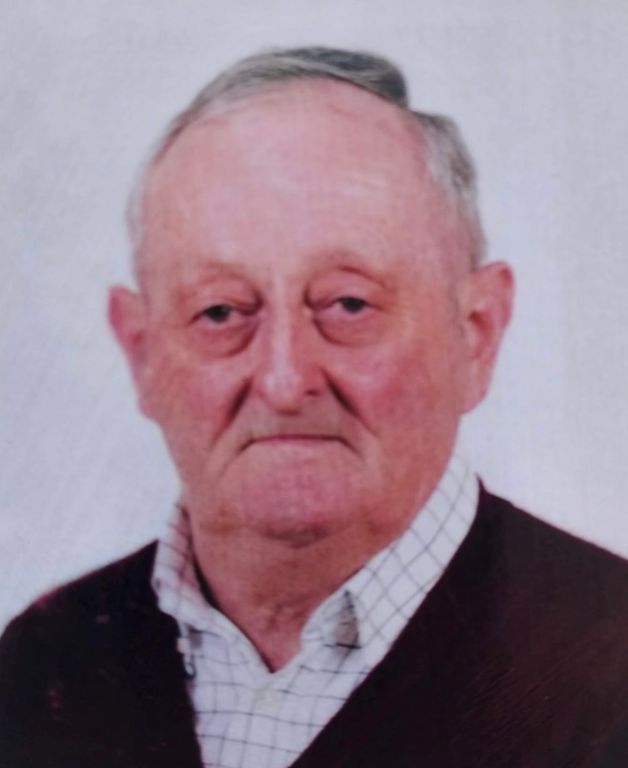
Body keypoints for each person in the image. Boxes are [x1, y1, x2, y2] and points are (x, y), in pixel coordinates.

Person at [1, 46, 628, 768]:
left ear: (476, 333)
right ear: (142, 353)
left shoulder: (607, 666)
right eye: (220, 311)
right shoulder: (41, 663)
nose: (283, 379)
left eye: (348, 303)